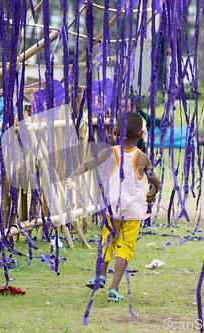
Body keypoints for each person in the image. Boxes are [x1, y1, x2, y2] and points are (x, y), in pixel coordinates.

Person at [67, 112, 162, 302]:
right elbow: (155, 181)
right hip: (133, 212)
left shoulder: (109, 152)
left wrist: (72, 176)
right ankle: (114, 288)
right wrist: (153, 192)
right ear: (141, 134)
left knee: (107, 239)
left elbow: (88, 164)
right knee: (125, 248)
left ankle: (100, 276)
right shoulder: (143, 158)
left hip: (112, 209)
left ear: (116, 131)